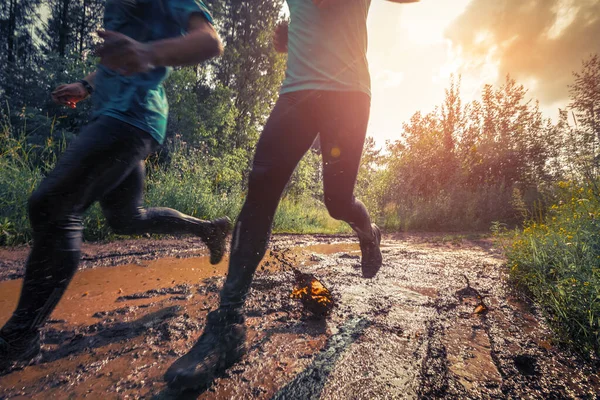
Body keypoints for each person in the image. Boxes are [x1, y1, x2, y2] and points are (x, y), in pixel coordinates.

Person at [0, 0, 230, 373]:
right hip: (118, 115)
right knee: (126, 218)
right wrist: (87, 85)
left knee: (53, 206)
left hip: (131, 119)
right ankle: (208, 228)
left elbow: (209, 42)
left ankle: (20, 338)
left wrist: (146, 52)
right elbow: (118, 58)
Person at [165, 0, 382, 391]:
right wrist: (291, 34)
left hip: (347, 93)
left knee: (337, 201)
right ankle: (227, 323)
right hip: (297, 91)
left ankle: (368, 231)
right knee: (261, 183)